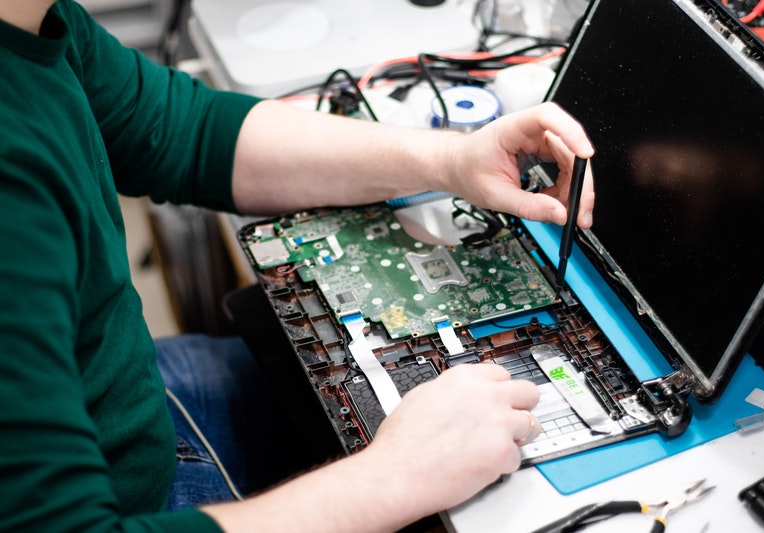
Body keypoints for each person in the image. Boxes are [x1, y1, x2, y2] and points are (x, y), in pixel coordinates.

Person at [0, 0, 595, 531]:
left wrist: (454, 159)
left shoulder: (33, 20)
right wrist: (397, 476)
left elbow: (187, 132)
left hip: (127, 403)